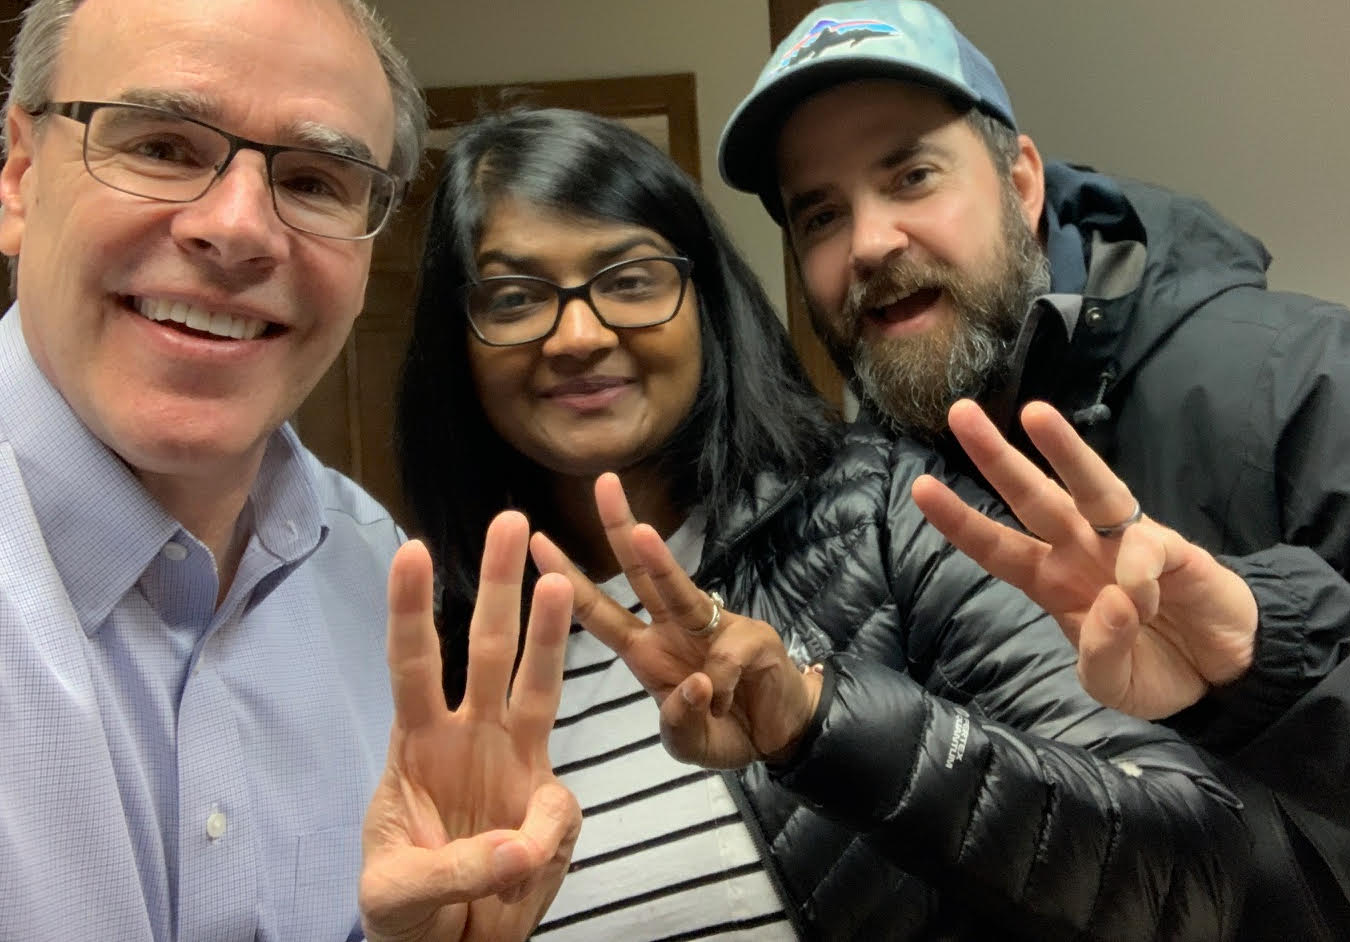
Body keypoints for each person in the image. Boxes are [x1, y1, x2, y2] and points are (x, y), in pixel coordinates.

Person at [716, 0, 1350, 940]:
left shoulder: (1273, 372)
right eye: (820, 214)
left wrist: (1269, 654)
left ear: (1020, 180)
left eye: (911, 174)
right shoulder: (861, 503)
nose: (868, 243)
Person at [394, 104, 1250, 942]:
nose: (577, 335)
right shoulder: (435, 656)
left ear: (707, 301)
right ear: (454, 339)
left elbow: (1190, 873)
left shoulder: (879, 516)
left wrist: (817, 720)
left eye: (629, 280)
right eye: (512, 298)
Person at [0, 0, 580, 941]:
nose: (234, 229)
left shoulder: (371, 570)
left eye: (314, 181)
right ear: (18, 173)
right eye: (162, 145)